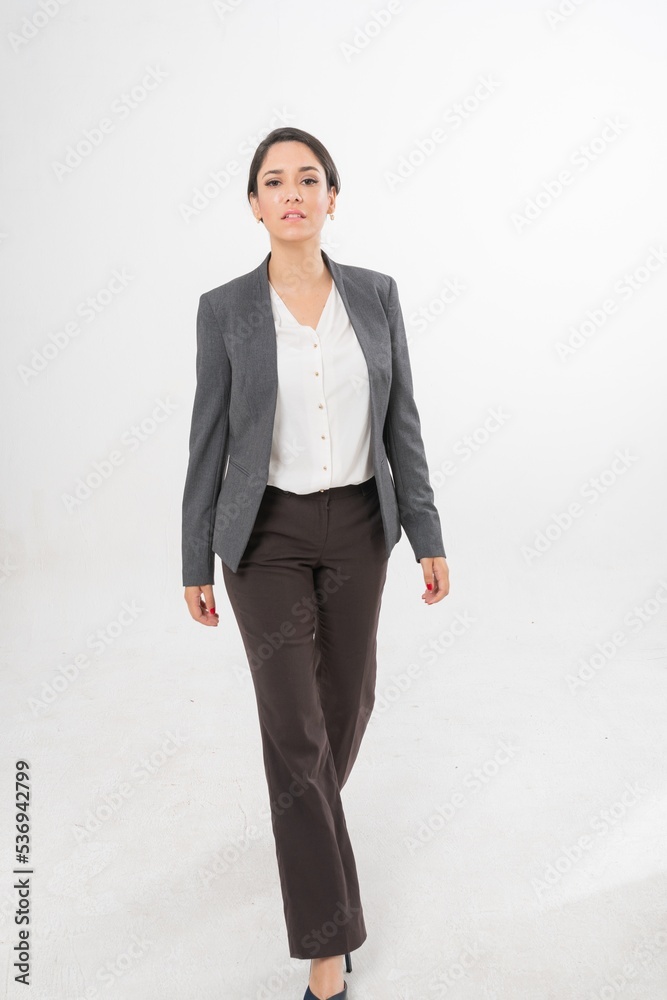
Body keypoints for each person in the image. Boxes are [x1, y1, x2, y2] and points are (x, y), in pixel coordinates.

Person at [182, 126, 450, 1000]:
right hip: (263, 539)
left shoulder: (375, 295)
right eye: (274, 181)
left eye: (307, 179)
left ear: (332, 198)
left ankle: (303, 829)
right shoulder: (224, 309)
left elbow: (402, 420)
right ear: (253, 204)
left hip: (360, 528)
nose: (291, 193)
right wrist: (193, 556)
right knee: (294, 731)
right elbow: (208, 438)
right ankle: (327, 953)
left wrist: (427, 532)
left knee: (346, 704)